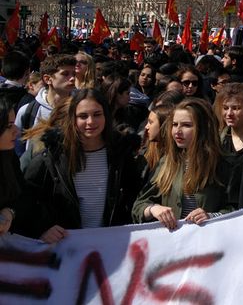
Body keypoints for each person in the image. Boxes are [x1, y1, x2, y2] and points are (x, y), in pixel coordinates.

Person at [21, 89, 141, 242]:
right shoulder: (54, 155)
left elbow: (135, 195)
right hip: (66, 247)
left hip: (112, 244)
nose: (91, 122)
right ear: (73, 118)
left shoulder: (121, 152)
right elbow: (26, 198)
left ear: (106, 116)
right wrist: (41, 227)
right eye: (83, 116)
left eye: (97, 114)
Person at [132, 98, 237, 229]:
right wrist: (154, 209)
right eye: (175, 124)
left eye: (186, 125)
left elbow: (238, 209)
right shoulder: (167, 162)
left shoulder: (226, 164)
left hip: (209, 243)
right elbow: (138, 206)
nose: (177, 131)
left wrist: (212, 216)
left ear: (203, 128)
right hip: (174, 243)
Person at [15, 54, 77, 155]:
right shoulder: (28, 111)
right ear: (47, 79)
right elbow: (19, 148)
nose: (72, 78)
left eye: (74, 74)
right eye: (65, 74)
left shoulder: (81, 106)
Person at [0, 96, 22, 235]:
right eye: (9, 126)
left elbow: (23, 196)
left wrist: (10, 212)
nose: (16, 130)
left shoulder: (9, 157)